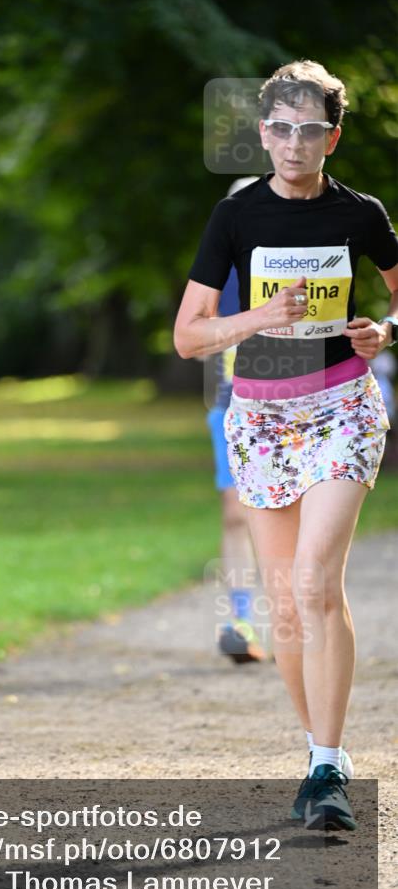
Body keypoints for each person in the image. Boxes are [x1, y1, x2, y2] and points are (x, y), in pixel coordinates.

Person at [174, 61, 398, 831]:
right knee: (287, 611)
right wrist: (256, 319)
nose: (293, 142)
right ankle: (314, 755)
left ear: (331, 137)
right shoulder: (234, 219)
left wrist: (386, 329)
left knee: (313, 584)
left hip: (342, 406)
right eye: (279, 128)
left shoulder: (359, 214)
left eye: (310, 129)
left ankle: (330, 765)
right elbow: (186, 335)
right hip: (261, 417)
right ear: (262, 133)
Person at [205, 177, 266, 665]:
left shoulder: (298, 261)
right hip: (231, 405)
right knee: (235, 514)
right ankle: (239, 620)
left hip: (300, 406)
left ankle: (296, 614)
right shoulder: (218, 266)